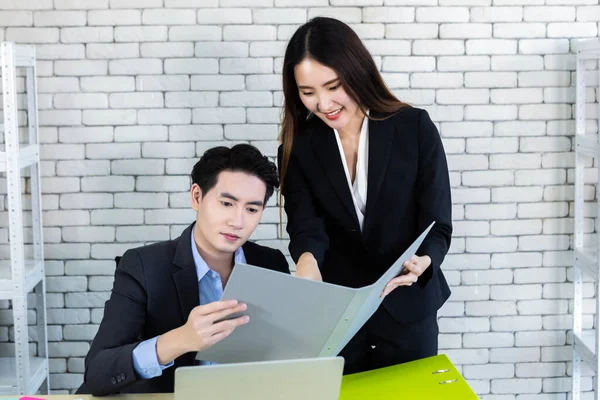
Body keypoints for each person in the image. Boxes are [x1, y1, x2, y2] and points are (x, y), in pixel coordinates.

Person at [278, 17, 452, 374]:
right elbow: (307, 227)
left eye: (333, 86)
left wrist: (426, 260)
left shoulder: (414, 128)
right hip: (339, 313)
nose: (323, 104)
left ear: (357, 71)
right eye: (308, 92)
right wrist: (307, 265)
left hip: (408, 305)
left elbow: (437, 223)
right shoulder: (300, 147)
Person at [78, 144, 289, 395]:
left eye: (252, 209)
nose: (238, 221)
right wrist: (181, 339)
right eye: (226, 204)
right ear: (197, 197)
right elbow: (97, 372)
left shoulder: (271, 263)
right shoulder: (143, 266)